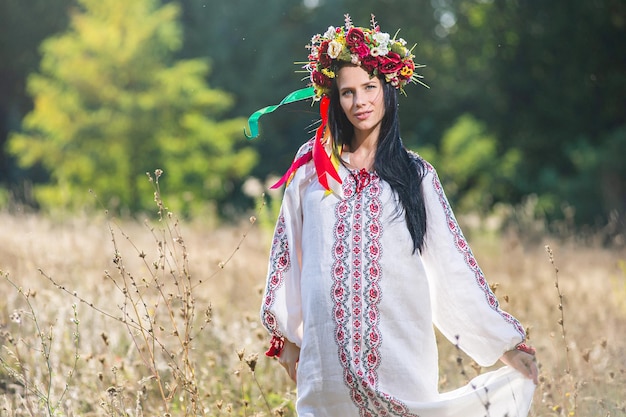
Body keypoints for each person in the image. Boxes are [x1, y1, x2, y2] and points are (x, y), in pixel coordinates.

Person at [249, 14, 538, 417]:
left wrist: (505, 345)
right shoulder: (310, 169)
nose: (360, 101)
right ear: (334, 97)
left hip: (400, 351)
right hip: (327, 363)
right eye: (347, 92)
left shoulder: (415, 175)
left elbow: (452, 265)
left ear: (388, 88)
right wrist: (288, 339)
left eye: (369, 87)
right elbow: (286, 256)